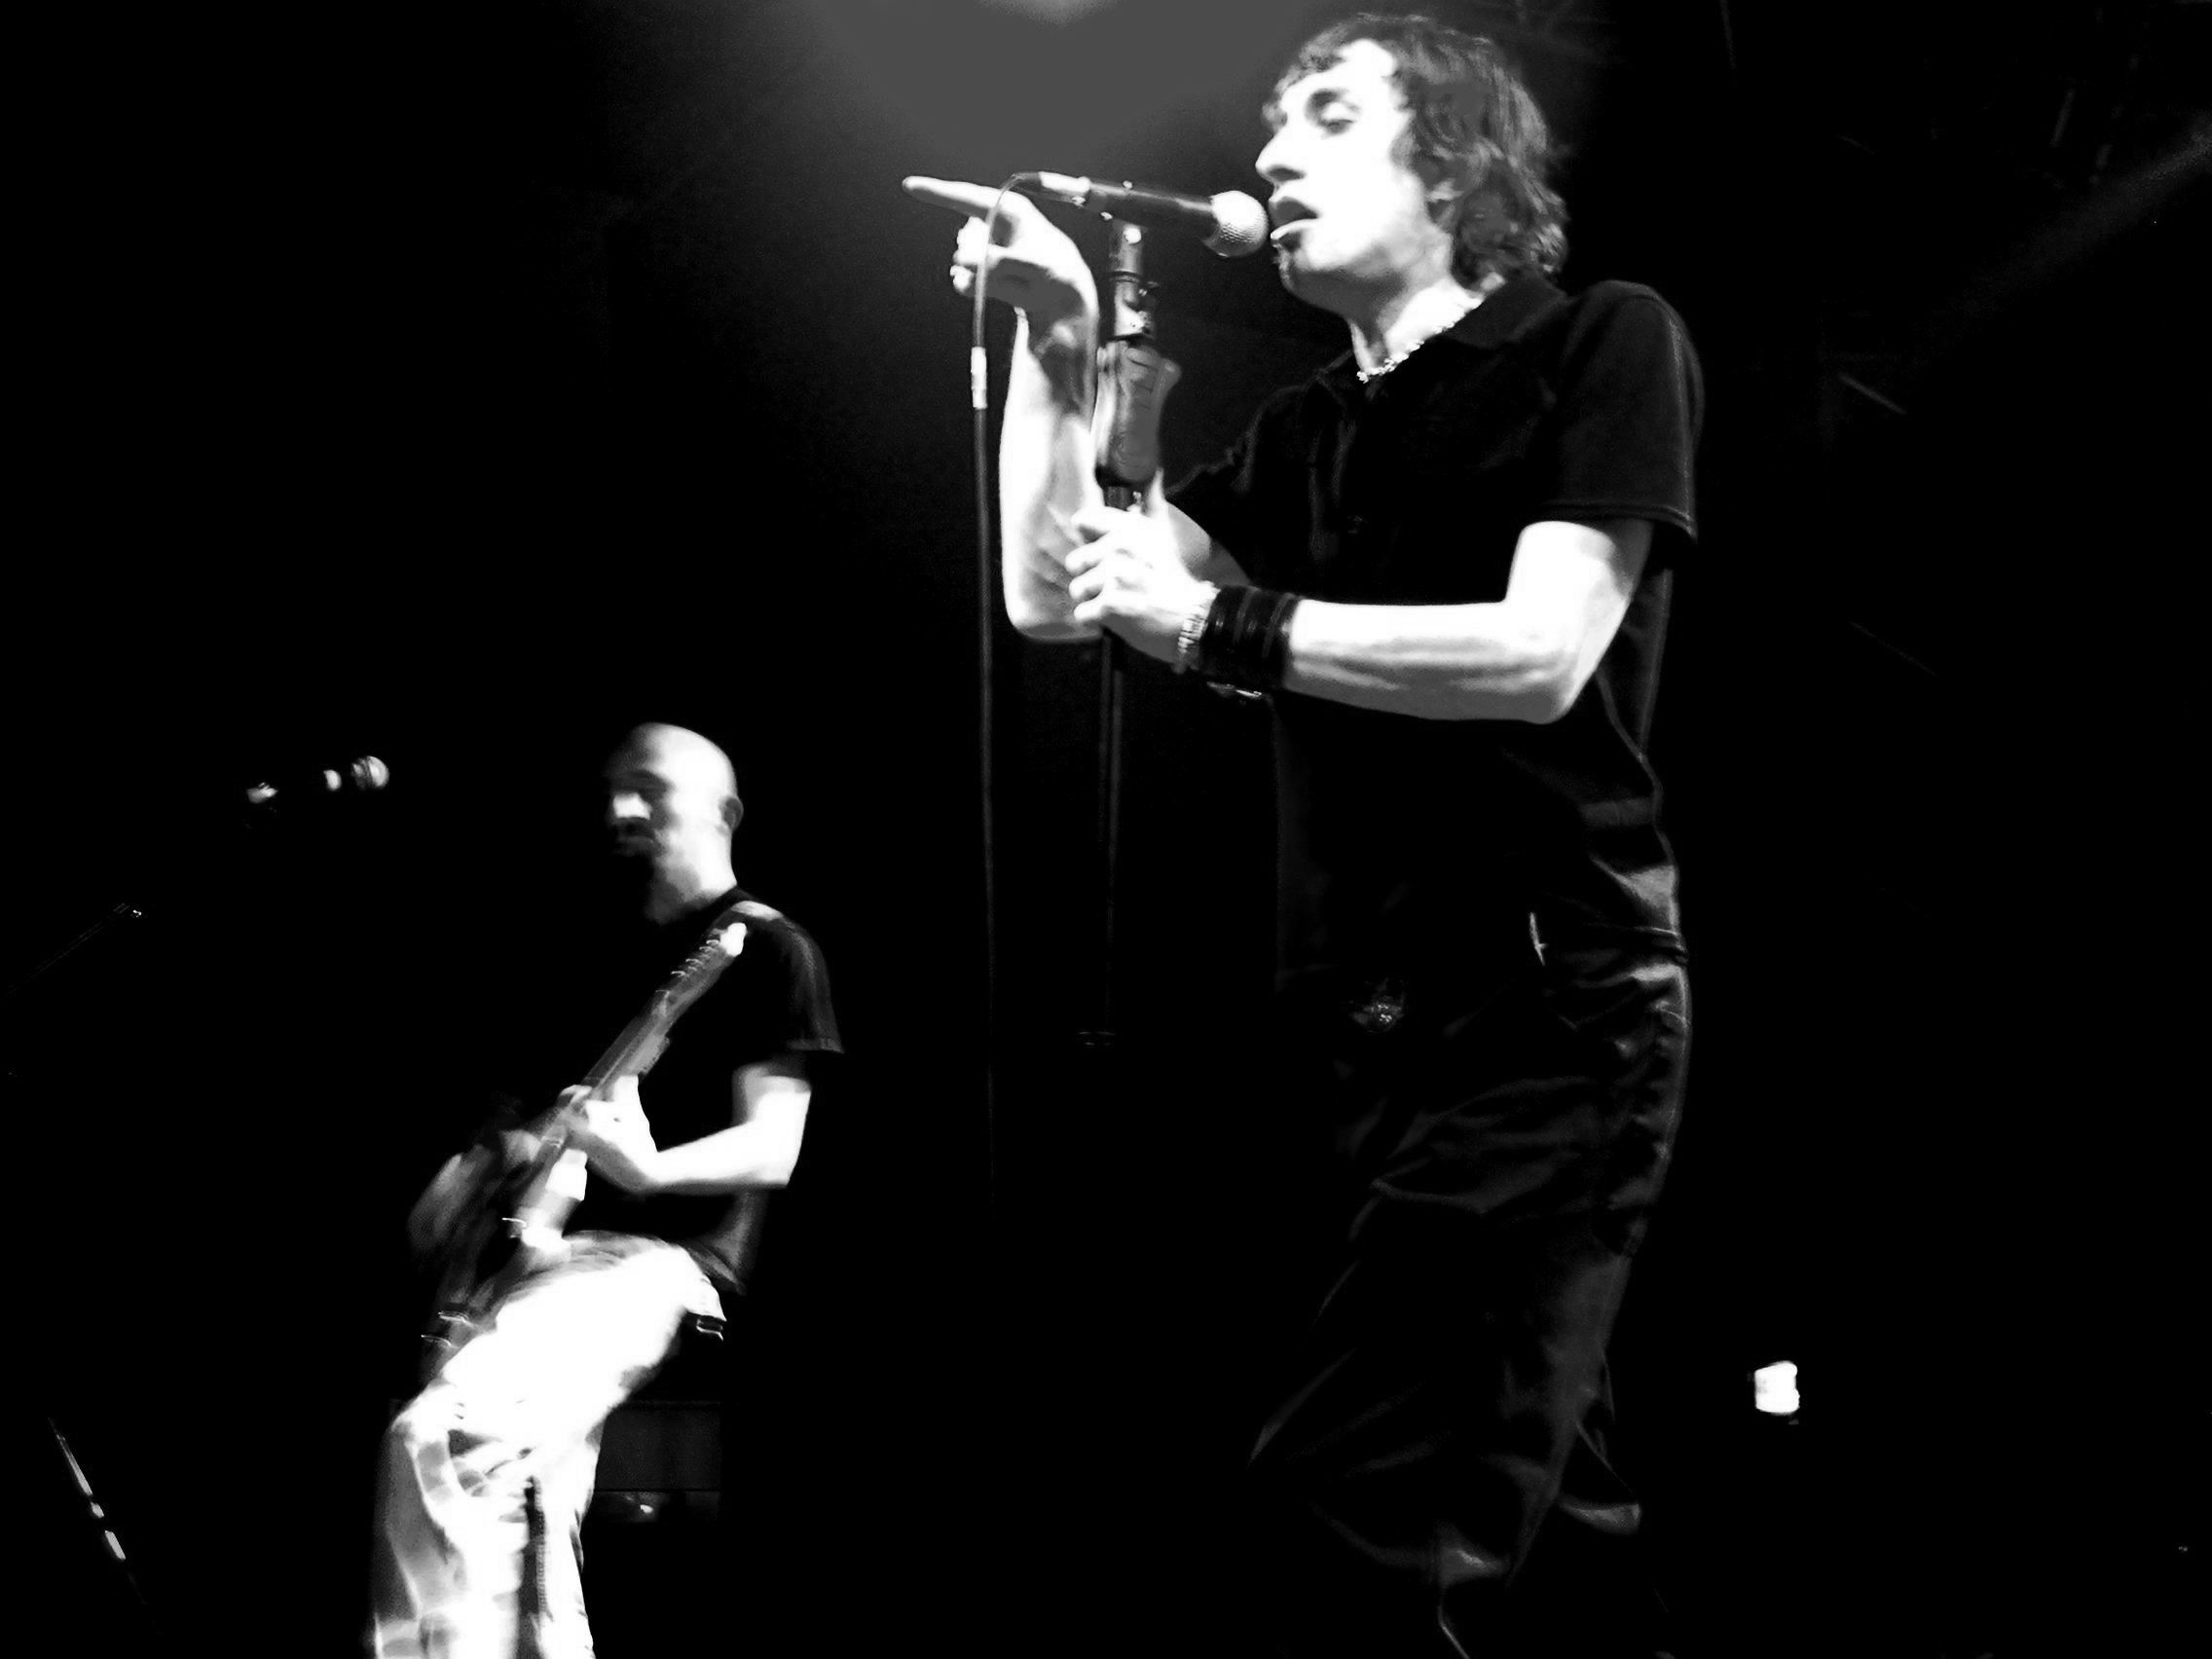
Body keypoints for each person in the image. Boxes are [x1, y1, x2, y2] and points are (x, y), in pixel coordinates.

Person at [908, 12, 1699, 1655]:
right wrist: (1059, 345)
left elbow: (1540, 654)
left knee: (1355, 1505)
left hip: (1549, 1006)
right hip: (1378, 1032)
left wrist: (1224, 627)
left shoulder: (1598, 341)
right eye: (1274, 125)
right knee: (1557, 1539)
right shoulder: (1305, 430)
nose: (1270, 154)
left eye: (1328, 114)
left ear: (1456, 165)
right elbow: (1058, 592)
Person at [371, 722, 841, 1658]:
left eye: (651, 789)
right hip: (535, 1262)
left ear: (725, 810)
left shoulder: (767, 947)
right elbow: (528, 1117)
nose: (623, 809)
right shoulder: (593, 953)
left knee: (448, 1439)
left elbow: (773, 1147)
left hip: (655, 1263)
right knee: (529, 1534)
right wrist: (476, 1171)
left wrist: (651, 1170)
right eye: (615, 790)